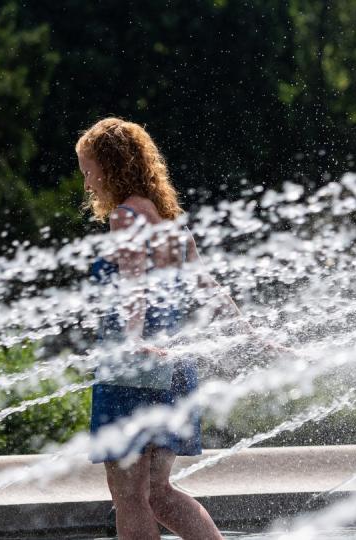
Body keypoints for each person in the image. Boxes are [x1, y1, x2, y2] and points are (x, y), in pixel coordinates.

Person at [76, 117, 231, 540]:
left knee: (128, 496)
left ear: (110, 168)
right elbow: (210, 289)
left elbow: (134, 285)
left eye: (88, 171)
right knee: (159, 493)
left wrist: (133, 338)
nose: (87, 184)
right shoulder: (169, 222)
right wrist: (255, 335)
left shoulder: (125, 217)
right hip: (176, 371)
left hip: (133, 369)